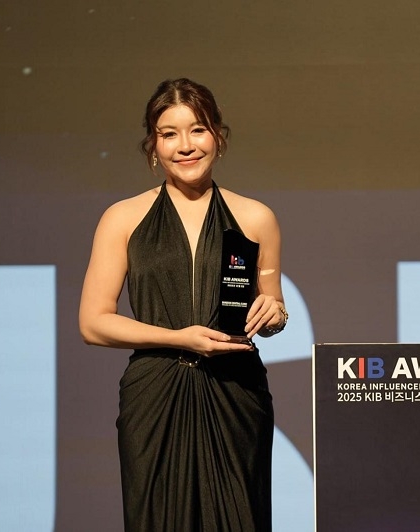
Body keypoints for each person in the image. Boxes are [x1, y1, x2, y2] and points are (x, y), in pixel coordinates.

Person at [79, 78, 287, 531]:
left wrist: (274, 314)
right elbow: (93, 323)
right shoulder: (123, 218)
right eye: (169, 133)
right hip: (155, 395)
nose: (186, 145)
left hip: (236, 394)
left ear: (219, 136)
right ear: (153, 146)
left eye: (198, 130)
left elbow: (272, 308)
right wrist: (180, 338)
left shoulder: (255, 217)